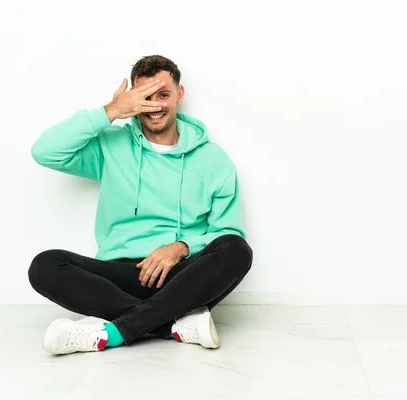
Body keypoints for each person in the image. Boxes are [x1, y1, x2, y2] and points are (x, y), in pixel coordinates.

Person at [28, 55, 253, 356]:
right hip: (116, 276)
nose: (155, 106)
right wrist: (112, 111)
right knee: (45, 265)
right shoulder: (111, 146)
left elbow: (229, 231)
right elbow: (45, 152)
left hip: (179, 277)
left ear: (179, 95)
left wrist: (180, 247)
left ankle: (113, 332)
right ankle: (170, 325)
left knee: (236, 250)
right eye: (145, 97)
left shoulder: (213, 160)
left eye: (163, 95)